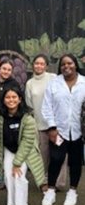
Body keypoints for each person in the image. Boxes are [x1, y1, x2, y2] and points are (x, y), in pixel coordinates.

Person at [0, 87, 45, 205]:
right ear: (4, 100)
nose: (11, 100)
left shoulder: (27, 117)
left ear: (20, 99)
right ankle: (12, 204)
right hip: (8, 149)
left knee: (19, 176)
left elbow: (27, 141)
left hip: (24, 151)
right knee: (8, 176)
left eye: (14, 97)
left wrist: (17, 162)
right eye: (8, 97)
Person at [41, 54, 85, 205]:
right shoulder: (54, 83)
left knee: (75, 163)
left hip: (79, 132)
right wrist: (52, 128)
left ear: (75, 64)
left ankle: (72, 192)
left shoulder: (84, 83)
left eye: (70, 63)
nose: (67, 67)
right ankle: (51, 191)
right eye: (63, 64)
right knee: (56, 160)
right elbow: (46, 107)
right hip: (59, 131)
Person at [25, 54, 67, 189]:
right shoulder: (29, 83)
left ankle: (59, 183)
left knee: (60, 155)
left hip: (57, 125)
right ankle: (44, 181)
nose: (39, 66)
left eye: (42, 64)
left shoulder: (53, 78)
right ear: (33, 65)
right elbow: (29, 104)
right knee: (42, 155)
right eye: (36, 63)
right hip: (40, 125)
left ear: (46, 66)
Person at [0, 58, 21, 189]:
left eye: (9, 69)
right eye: (4, 68)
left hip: (9, 120)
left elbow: (17, 100)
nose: (6, 71)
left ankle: (7, 178)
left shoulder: (14, 84)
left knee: (7, 150)